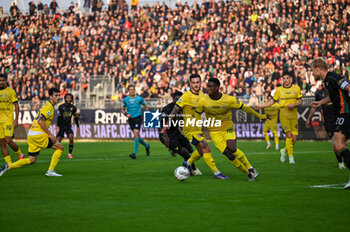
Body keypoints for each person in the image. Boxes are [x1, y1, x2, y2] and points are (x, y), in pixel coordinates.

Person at [196, 78, 267, 181]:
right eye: (207, 86)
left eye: (210, 87)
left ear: (217, 87)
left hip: (227, 127)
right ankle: (249, 173)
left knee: (232, 148)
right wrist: (199, 128)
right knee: (228, 154)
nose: (208, 89)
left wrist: (259, 115)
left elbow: (244, 108)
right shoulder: (203, 101)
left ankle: (250, 167)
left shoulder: (229, 100)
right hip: (214, 132)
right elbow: (197, 114)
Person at [163, 73, 228, 179]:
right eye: (193, 83)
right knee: (205, 146)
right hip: (189, 129)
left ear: (200, 83)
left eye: (197, 82)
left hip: (197, 128)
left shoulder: (203, 95)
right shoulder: (186, 96)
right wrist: (168, 123)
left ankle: (188, 163)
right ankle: (216, 173)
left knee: (201, 151)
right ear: (190, 84)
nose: (196, 85)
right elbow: (175, 110)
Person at [0, 88, 65, 177]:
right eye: (56, 95)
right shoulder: (49, 107)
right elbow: (40, 121)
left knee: (31, 160)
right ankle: (50, 171)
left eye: (59, 95)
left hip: (32, 134)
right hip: (39, 134)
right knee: (60, 147)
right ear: (50, 96)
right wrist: (50, 134)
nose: (58, 97)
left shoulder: (47, 105)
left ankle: (8, 166)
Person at [310, 57, 350, 189]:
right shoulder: (327, 81)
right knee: (336, 145)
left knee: (338, 143)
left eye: (312, 71)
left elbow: (348, 87)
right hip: (342, 113)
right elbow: (333, 96)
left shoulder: (333, 77)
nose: (312, 74)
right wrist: (320, 102)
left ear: (318, 69)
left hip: (346, 112)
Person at [255, 73, 302, 164]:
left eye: (287, 78)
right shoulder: (279, 90)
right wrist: (261, 107)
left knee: (294, 139)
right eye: (284, 78)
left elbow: (300, 101)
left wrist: (294, 104)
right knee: (288, 136)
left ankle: (284, 150)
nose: (286, 80)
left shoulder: (296, 88)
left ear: (291, 79)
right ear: (282, 80)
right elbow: (272, 101)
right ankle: (291, 158)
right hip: (284, 115)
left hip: (294, 115)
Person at [159, 91, 202, 175]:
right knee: (186, 153)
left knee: (190, 149)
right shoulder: (167, 109)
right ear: (173, 99)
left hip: (177, 133)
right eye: (176, 99)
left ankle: (175, 151)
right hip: (168, 135)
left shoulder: (182, 108)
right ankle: (193, 169)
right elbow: (161, 125)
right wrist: (165, 138)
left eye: (179, 100)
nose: (177, 101)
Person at [306, 84, 345, 169]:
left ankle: (344, 158)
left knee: (342, 141)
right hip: (328, 121)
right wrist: (309, 119)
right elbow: (314, 107)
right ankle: (340, 162)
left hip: (340, 118)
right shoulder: (319, 94)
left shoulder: (337, 91)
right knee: (335, 142)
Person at [0, 74, 24, 166]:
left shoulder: (10, 91)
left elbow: (16, 105)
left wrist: (16, 119)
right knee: (2, 142)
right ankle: (9, 164)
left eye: (3, 80)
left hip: (8, 120)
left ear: (6, 81)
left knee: (8, 140)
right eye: (0, 80)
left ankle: (20, 155)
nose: (1, 82)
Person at [122, 85, 150, 159]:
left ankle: (134, 154)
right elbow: (122, 109)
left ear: (134, 90)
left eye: (132, 89)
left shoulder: (139, 98)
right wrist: (125, 114)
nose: (131, 91)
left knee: (135, 133)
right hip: (131, 119)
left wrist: (147, 110)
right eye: (130, 90)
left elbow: (146, 105)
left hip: (138, 117)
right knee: (138, 137)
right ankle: (147, 146)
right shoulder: (125, 100)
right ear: (128, 91)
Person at [56, 93, 80, 159]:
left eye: (70, 98)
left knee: (71, 137)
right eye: (67, 98)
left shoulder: (73, 107)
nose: (69, 99)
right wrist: (57, 126)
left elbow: (76, 117)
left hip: (68, 126)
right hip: (61, 125)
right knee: (58, 141)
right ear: (65, 99)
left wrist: (78, 126)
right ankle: (57, 154)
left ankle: (69, 154)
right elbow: (59, 117)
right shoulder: (61, 107)